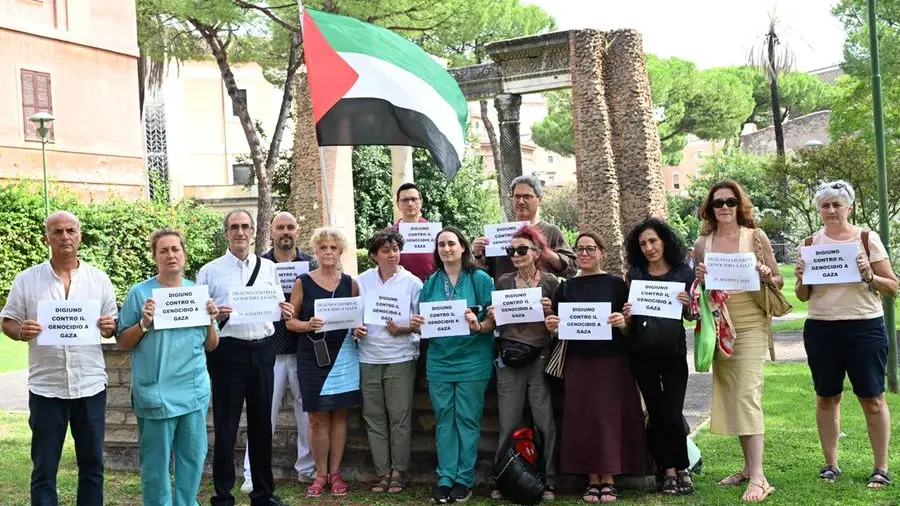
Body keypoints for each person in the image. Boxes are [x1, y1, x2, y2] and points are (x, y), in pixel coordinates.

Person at [1, 211, 118, 506]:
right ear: (47, 239)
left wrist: (109, 326)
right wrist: (21, 332)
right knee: (44, 468)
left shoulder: (99, 280)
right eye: (57, 232)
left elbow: (112, 323)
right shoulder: (27, 280)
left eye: (70, 231)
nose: (64, 236)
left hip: (90, 385)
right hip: (46, 388)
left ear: (79, 237)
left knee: (92, 466)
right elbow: (8, 321)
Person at [794, 181, 897, 488]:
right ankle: (830, 464)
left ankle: (881, 468)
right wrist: (801, 278)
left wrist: (869, 274)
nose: (831, 210)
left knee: (872, 399)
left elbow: (893, 286)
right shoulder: (810, 243)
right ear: (819, 210)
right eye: (825, 205)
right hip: (822, 327)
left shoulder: (866, 238)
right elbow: (803, 296)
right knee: (826, 397)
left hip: (864, 326)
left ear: (848, 208)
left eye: (837, 204)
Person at [545, 231, 652, 504]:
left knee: (610, 418)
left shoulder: (616, 284)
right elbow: (559, 326)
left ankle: (610, 478)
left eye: (590, 248)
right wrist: (553, 326)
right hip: (578, 362)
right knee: (583, 418)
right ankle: (592, 479)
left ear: (601, 252)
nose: (584, 253)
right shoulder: (566, 287)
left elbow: (631, 326)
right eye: (580, 249)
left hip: (612, 361)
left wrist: (623, 324)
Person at [116, 228, 220, 506]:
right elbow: (123, 342)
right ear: (155, 256)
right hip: (156, 392)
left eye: (175, 249)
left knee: (192, 460)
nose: (171, 255)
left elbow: (211, 345)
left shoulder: (197, 294)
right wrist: (143, 323)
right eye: (164, 250)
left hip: (193, 391)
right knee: (156, 465)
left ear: (184, 254)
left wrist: (211, 320)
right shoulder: (139, 293)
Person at [197, 209, 294, 506]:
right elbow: (200, 315)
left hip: (263, 350)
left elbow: (277, 305)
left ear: (253, 232)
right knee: (226, 425)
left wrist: (285, 310)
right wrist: (214, 315)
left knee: (262, 425)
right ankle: (223, 495)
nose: (240, 232)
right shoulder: (209, 271)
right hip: (228, 352)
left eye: (245, 227)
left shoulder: (268, 268)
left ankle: (262, 493)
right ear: (226, 233)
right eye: (234, 227)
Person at [693, 180, 780, 503]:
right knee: (733, 394)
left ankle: (759, 477)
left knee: (747, 393)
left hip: (751, 320)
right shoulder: (702, 243)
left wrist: (766, 275)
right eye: (718, 203)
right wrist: (700, 280)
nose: (725, 208)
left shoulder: (755, 237)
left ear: (739, 204)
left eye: (730, 201)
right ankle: (747, 467)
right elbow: (699, 287)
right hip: (720, 322)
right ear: (710, 208)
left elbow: (777, 278)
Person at [418, 226, 496, 504]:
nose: (446, 248)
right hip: (439, 361)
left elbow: (493, 320)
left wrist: (479, 325)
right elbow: (423, 322)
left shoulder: (481, 279)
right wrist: (418, 324)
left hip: (473, 360)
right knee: (444, 420)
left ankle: (464, 479)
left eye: (451, 243)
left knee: (467, 418)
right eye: (441, 244)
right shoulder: (430, 282)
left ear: (463, 247)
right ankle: (445, 478)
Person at [241, 212, 317, 494]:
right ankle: (252, 474)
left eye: (290, 227)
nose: (285, 232)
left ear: (298, 230)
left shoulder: (311, 263)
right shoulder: (259, 264)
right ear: (271, 231)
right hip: (268, 351)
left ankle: (307, 469)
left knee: (306, 414)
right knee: (262, 414)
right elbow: (248, 303)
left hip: (303, 349)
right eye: (280, 227)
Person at [286, 227, 363, 498]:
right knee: (316, 418)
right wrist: (308, 324)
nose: (328, 252)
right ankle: (320, 475)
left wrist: (359, 330)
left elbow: (357, 320)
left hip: (344, 355)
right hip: (312, 354)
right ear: (315, 252)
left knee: (340, 414)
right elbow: (290, 322)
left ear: (340, 251)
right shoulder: (303, 281)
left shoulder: (351, 284)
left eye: (333, 247)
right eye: (323, 248)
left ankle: (336, 473)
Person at [622, 218, 695, 495]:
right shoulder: (635, 274)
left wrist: (688, 306)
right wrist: (628, 315)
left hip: (674, 354)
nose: (649, 248)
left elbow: (692, 316)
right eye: (643, 244)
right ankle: (669, 471)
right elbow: (629, 319)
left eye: (653, 241)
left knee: (672, 414)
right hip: (642, 354)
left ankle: (683, 466)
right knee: (655, 412)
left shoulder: (683, 273)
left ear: (664, 241)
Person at [489, 225, 559, 501]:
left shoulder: (550, 282)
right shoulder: (503, 282)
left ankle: (549, 479)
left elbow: (560, 323)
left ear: (536, 252)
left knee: (544, 421)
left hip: (540, 357)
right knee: (508, 421)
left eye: (521, 249)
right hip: (509, 358)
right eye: (511, 250)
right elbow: (496, 323)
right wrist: (494, 314)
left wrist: (551, 311)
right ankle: (503, 478)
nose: (516, 255)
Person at [352, 230, 424, 494]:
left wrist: (407, 328)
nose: (392, 255)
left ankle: (398, 471)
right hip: (368, 357)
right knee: (373, 417)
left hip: (400, 357)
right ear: (374, 255)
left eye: (395, 249)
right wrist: (355, 329)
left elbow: (424, 323)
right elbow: (352, 316)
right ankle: (382, 472)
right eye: (385, 250)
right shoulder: (361, 281)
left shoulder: (413, 283)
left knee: (400, 416)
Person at [473, 175, 576, 280]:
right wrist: (478, 254)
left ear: (539, 200)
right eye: (517, 197)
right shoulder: (497, 234)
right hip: (505, 290)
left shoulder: (551, 231)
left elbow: (572, 268)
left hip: (542, 290)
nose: (521, 201)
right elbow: (484, 272)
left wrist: (547, 253)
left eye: (527, 196)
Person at [392, 182, 436, 281]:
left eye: (414, 199)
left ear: (421, 202)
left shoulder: (434, 231)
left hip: (429, 286)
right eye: (405, 200)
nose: (410, 204)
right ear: (398, 204)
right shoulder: (389, 233)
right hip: (399, 286)